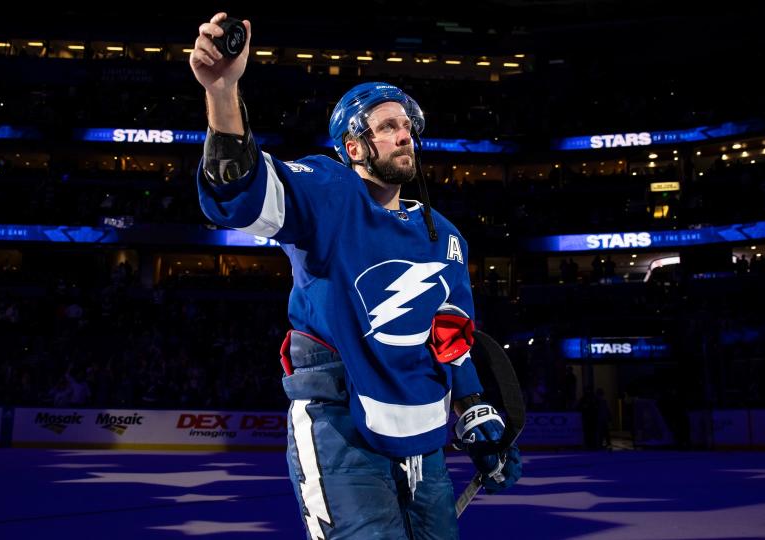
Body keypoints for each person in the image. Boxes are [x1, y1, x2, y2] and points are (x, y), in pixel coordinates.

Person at [189, 13, 521, 539]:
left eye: (408, 127)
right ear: (353, 145)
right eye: (388, 126)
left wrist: (476, 409)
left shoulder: (445, 235)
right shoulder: (329, 190)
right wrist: (225, 91)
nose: (404, 136)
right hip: (342, 429)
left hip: (425, 440)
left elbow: (451, 334)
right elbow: (239, 191)